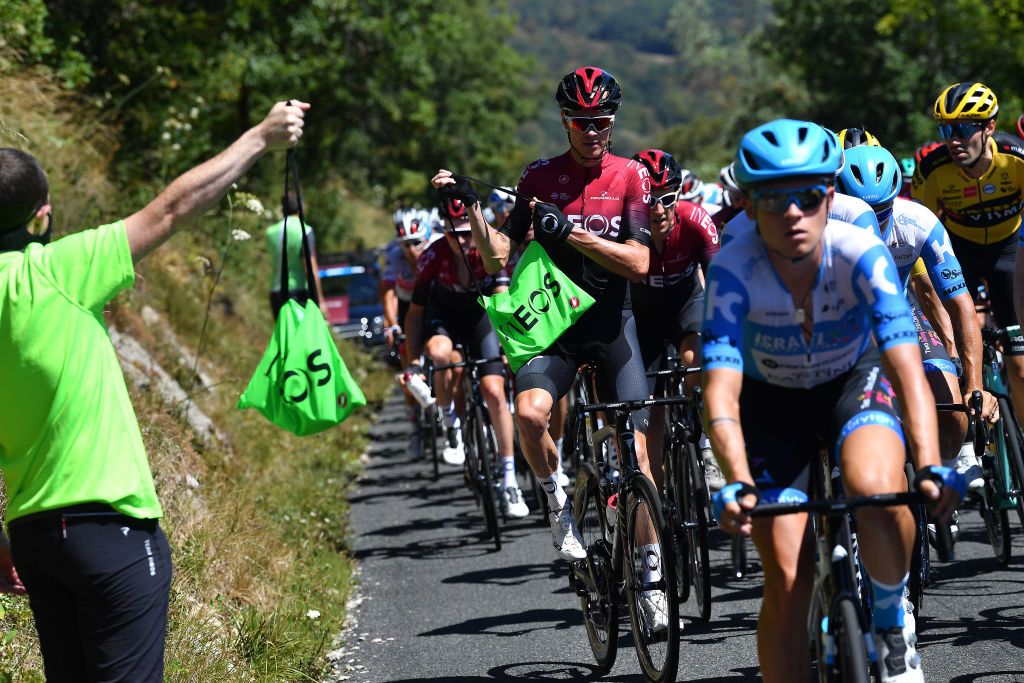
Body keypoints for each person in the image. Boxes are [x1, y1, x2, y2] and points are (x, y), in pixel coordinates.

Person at [0, 101, 307, 681]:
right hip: (108, 530)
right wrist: (261, 138)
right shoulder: (59, 271)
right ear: (41, 217)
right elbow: (172, 208)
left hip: (32, 537)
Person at [704, 119, 964, 683]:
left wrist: (929, 462)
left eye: (809, 195)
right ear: (748, 204)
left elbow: (907, 369)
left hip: (853, 379)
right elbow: (720, 387)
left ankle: (894, 621)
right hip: (772, 401)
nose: (792, 213)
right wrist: (733, 476)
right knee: (789, 582)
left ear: (831, 194)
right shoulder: (732, 265)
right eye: (774, 199)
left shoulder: (861, 252)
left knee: (877, 489)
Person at [432, 66, 663, 626]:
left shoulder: (631, 177)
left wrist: (574, 233)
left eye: (602, 121)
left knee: (639, 455)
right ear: (565, 120)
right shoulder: (538, 177)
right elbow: (498, 255)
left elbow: (640, 262)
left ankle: (651, 575)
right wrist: (474, 212)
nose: (592, 130)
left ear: (613, 121)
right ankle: (556, 500)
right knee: (529, 414)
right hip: (553, 325)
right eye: (582, 121)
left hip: (611, 324)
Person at [837, 144, 997, 493]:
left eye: (883, 211)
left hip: (900, 314)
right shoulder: (824, 227)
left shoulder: (918, 221)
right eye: (865, 210)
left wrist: (974, 384)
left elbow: (961, 304)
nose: (875, 221)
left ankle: (946, 480)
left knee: (952, 410)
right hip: (842, 324)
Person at [402, 198, 528, 518]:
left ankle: (510, 478)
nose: (460, 241)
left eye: (467, 233)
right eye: (451, 235)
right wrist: (413, 361)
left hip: (481, 319)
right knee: (440, 354)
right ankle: (450, 423)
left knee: (495, 392)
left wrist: (507, 348)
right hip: (444, 319)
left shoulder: (488, 249)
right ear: (441, 233)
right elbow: (416, 314)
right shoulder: (432, 257)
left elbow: (501, 303)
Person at [914, 82, 1024, 424]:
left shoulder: (1016, 157)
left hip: (1008, 253)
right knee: (960, 344)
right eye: (946, 129)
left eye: (963, 129)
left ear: (989, 127)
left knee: (1020, 366)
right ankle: (967, 434)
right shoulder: (933, 169)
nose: (954, 140)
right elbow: (918, 235)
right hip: (960, 252)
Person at [631, 148, 725, 490]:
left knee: (695, 360)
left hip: (687, 304)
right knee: (653, 414)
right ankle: (656, 499)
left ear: (679, 194)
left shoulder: (697, 219)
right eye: (649, 201)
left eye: (667, 199)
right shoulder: (623, 228)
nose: (658, 210)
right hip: (645, 319)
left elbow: (718, 283)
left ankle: (706, 446)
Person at [380, 208, 440, 459]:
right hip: (407, 304)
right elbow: (387, 292)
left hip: (436, 300)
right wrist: (392, 324)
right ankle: (415, 425)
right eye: (405, 244)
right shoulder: (394, 255)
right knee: (406, 355)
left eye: (416, 243)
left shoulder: (437, 246)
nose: (410, 250)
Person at [265, 189, 327, 320]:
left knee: (284, 336)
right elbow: (310, 268)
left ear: (282, 208)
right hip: (298, 293)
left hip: (276, 292)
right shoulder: (305, 231)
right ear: (301, 206)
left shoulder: (270, 232)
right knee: (302, 338)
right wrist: (320, 299)